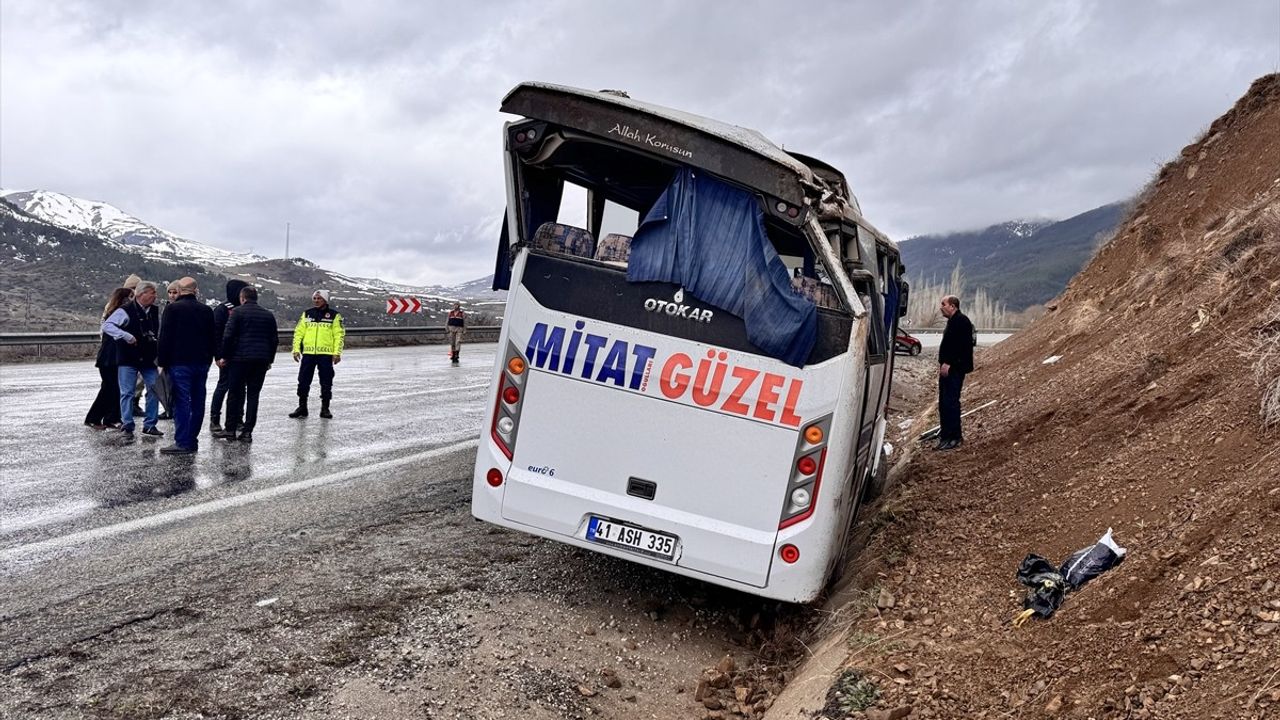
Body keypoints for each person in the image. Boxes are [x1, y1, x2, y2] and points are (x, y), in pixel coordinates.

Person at [157, 277, 216, 454]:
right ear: (195, 290)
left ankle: (182, 441)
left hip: (179, 362)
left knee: (181, 402)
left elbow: (165, 337)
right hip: (201, 362)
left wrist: (162, 362)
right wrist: (210, 358)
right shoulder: (206, 310)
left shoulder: (173, 309)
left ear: (180, 290)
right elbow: (212, 336)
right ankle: (192, 440)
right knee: (198, 401)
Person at [102, 280, 163, 438]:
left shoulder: (154, 311)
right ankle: (127, 425)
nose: (155, 296)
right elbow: (107, 325)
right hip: (128, 357)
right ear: (142, 294)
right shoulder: (125, 310)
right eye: (153, 293)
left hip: (148, 358)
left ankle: (150, 424)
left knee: (154, 390)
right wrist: (125, 335)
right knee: (127, 392)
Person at [217, 286, 278, 443]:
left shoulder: (237, 312)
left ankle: (230, 430)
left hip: (239, 359)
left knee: (234, 393)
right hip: (260, 360)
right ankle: (247, 432)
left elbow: (228, 336)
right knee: (253, 395)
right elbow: (274, 340)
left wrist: (224, 356)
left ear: (242, 298)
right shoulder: (268, 315)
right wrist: (269, 359)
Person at [289, 289, 344, 419]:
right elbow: (299, 333)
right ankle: (302, 407)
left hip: (325, 354)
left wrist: (337, 353)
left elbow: (339, 335)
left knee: (326, 381)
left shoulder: (334, 315)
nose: (316, 300)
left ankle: (325, 408)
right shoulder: (307, 314)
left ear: (325, 300)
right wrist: (296, 349)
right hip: (308, 353)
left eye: (319, 298)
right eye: (314, 298)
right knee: (303, 381)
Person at [84, 287, 133, 429]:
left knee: (113, 388)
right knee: (109, 388)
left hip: (111, 357)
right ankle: (94, 418)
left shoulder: (112, 313)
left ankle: (111, 418)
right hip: (109, 358)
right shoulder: (118, 315)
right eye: (130, 296)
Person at [209, 279, 249, 433]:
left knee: (241, 389)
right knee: (223, 386)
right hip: (227, 356)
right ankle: (215, 419)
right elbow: (216, 334)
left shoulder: (245, 308)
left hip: (242, 356)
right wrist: (218, 356)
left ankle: (238, 419)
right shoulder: (222, 310)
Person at [936, 294, 975, 451]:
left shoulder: (961, 321)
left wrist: (949, 363)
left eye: (943, 304)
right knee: (944, 403)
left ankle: (954, 436)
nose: (941, 307)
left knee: (951, 402)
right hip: (947, 368)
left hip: (954, 369)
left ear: (953, 306)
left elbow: (962, 347)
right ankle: (945, 435)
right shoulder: (952, 322)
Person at [153, 283, 181, 420]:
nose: (172, 295)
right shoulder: (165, 307)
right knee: (166, 382)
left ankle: (175, 408)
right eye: (170, 292)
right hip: (165, 349)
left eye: (174, 292)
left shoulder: (178, 308)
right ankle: (168, 408)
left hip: (176, 352)